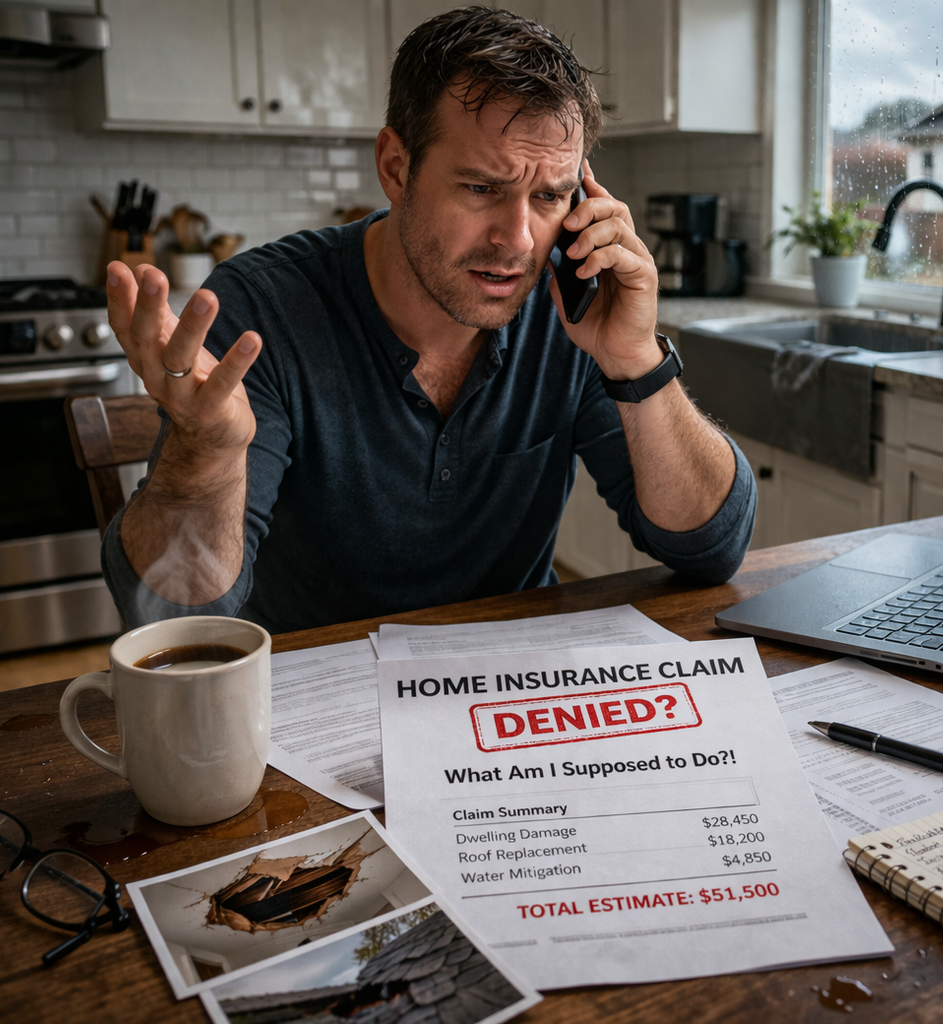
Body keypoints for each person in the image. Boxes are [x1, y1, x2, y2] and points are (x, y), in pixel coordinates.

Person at [101, 6, 756, 634]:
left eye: (549, 196)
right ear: (395, 166)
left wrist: (638, 360)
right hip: (318, 696)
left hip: (513, 687)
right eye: (481, 188)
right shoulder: (262, 309)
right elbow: (171, 615)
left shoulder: (572, 307)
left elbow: (713, 548)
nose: (520, 240)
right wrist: (208, 455)